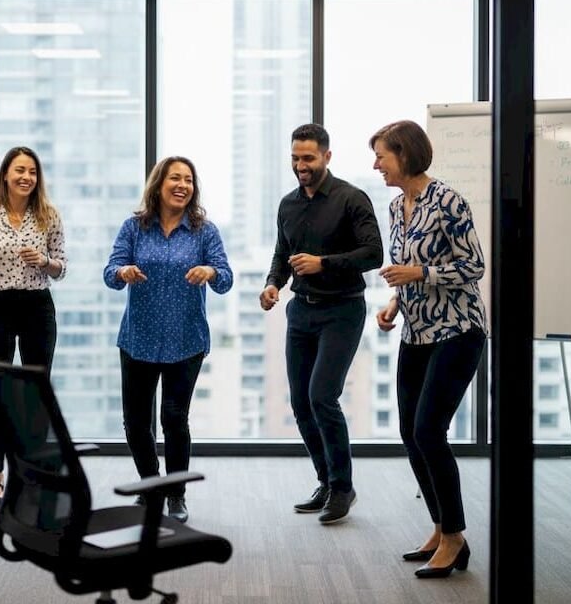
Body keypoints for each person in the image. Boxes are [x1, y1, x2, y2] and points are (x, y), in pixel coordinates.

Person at [369, 119, 487, 579]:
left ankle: (456, 538)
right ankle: (441, 528)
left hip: (458, 331)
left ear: (405, 154)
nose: (376, 164)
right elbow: (404, 266)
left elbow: (474, 266)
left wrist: (419, 275)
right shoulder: (398, 206)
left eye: (382, 155)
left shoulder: (449, 201)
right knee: (409, 432)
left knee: (429, 431)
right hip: (416, 332)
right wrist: (395, 302)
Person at [260, 123, 383, 525]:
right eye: (295, 158)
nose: (300, 166)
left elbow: (373, 254)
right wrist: (272, 285)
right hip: (301, 311)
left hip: (342, 311)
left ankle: (344, 487)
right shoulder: (287, 204)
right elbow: (283, 252)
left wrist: (323, 263)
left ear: (327, 157)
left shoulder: (351, 198)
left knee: (322, 397)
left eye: (308, 158)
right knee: (300, 402)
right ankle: (326, 482)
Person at [103, 156, 233, 524]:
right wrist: (123, 271)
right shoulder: (134, 227)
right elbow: (109, 273)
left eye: (188, 180)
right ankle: (151, 487)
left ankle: (176, 494)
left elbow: (226, 279)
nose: (182, 185)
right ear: (159, 185)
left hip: (185, 340)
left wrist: (210, 270)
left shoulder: (204, 231)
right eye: (175, 178)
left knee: (174, 419)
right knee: (136, 422)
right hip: (138, 339)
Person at [0, 146, 66, 509]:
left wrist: (45, 260)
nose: (26, 178)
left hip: (37, 307)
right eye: (20, 170)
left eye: (32, 172)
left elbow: (62, 267)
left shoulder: (48, 216)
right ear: (5, 174)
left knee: (36, 396)